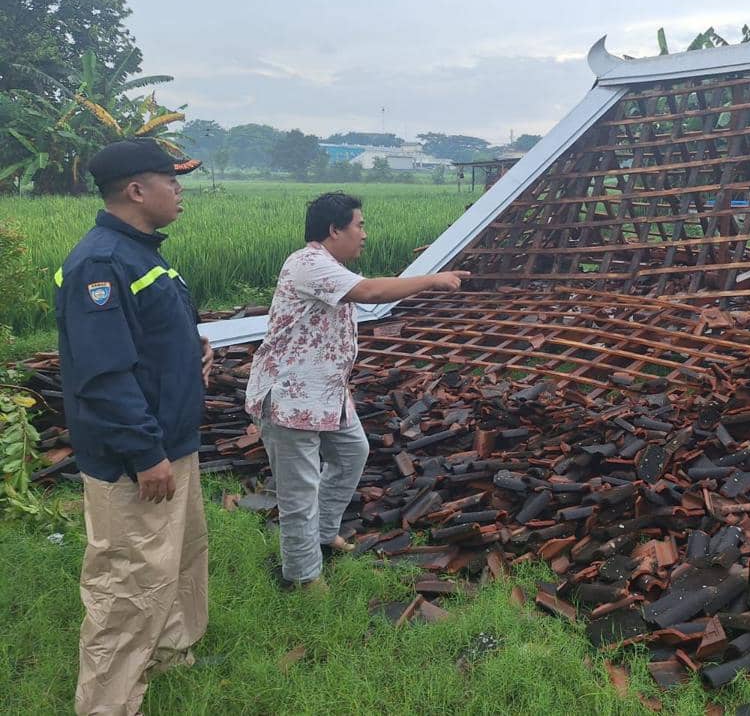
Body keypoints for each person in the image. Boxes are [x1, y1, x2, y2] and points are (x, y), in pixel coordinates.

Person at [55, 138, 213, 716]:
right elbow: (103, 375)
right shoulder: (102, 263)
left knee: (181, 555)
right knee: (129, 582)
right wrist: (145, 454)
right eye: (172, 180)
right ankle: (109, 703)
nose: (181, 190)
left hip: (173, 441)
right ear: (136, 190)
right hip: (138, 456)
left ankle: (172, 652)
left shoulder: (143, 252)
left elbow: (142, 335)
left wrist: (187, 345)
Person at [244, 191, 469, 590]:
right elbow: (371, 292)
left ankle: (323, 534)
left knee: (352, 453)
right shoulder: (309, 263)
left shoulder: (328, 266)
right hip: (290, 399)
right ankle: (303, 576)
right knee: (299, 492)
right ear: (335, 230)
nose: (364, 234)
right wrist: (433, 279)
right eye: (359, 225)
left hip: (326, 394)